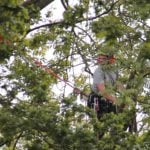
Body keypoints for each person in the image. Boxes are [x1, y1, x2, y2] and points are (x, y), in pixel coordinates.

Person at [88, 53, 118, 119]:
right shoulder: (99, 71)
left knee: (116, 121)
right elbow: (102, 91)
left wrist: (126, 97)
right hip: (98, 100)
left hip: (110, 99)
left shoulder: (114, 70)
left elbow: (118, 84)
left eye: (103, 58)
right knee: (101, 124)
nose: (100, 60)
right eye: (99, 58)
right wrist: (116, 100)